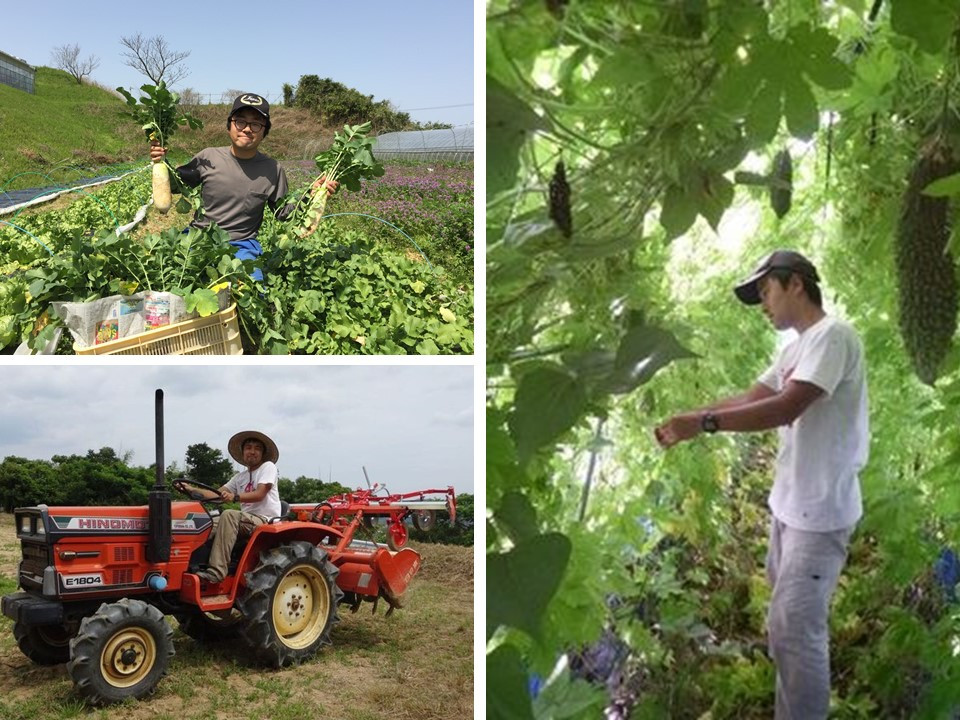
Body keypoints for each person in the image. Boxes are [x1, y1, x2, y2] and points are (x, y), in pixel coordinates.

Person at [653, 249, 869, 719]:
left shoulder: (834, 336)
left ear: (796, 284)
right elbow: (752, 398)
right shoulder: (795, 349)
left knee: (795, 630)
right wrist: (692, 418)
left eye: (766, 291)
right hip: (790, 510)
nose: (763, 304)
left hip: (819, 515)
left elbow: (785, 407)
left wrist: (705, 424)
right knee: (786, 627)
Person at [149, 93, 336, 281]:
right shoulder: (208, 157)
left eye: (256, 124)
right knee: (165, 279)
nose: (247, 129)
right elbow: (177, 186)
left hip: (241, 246)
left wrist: (311, 196)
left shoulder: (272, 169)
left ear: (264, 131)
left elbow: (283, 213)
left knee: (252, 292)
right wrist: (162, 164)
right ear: (230, 125)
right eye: (240, 122)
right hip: (198, 237)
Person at [193, 430, 282, 584]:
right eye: (248, 447)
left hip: (264, 520)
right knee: (204, 522)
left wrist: (235, 497)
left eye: (257, 448)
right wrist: (191, 490)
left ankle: (216, 572)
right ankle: (191, 565)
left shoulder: (268, 467)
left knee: (228, 515)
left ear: (262, 454)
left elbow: (260, 493)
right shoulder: (239, 477)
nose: (252, 451)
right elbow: (217, 494)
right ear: (243, 452)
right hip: (245, 520)